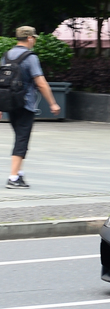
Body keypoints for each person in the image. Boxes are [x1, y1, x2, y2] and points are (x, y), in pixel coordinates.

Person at [1, 26, 60, 189]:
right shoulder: (30, 57)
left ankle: (18, 173)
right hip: (25, 104)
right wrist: (52, 103)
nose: (34, 41)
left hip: (9, 103)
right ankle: (13, 177)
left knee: (20, 137)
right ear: (29, 38)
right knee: (22, 139)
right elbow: (41, 82)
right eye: (34, 38)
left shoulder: (6, 55)